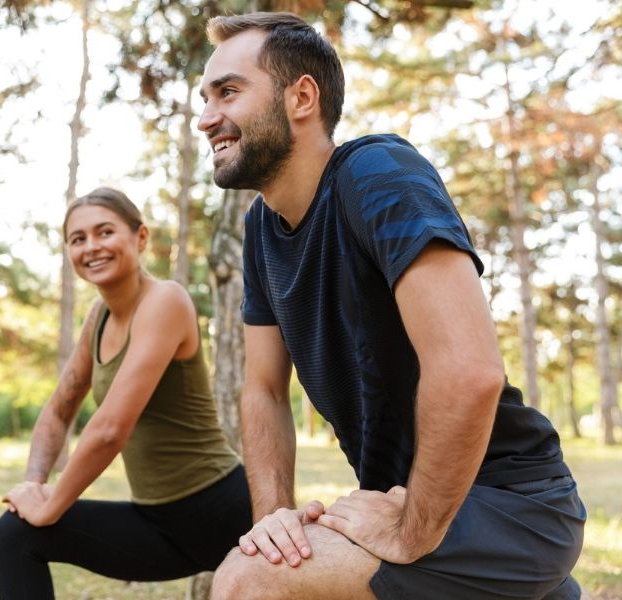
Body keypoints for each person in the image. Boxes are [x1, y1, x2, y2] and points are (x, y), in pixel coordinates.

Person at [196, 12, 586, 600]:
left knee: (248, 583)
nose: (206, 119)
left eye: (228, 91)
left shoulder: (377, 172)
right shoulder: (261, 232)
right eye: (204, 98)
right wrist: (270, 522)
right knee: (265, 557)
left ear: (302, 96)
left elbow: (470, 371)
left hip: (512, 504)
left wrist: (411, 531)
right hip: (406, 502)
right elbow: (264, 391)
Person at [0, 187, 252, 599]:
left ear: (140, 238)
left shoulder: (166, 300)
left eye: (105, 232)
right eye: (78, 239)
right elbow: (59, 410)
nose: (91, 247)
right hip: (157, 522)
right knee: (16, 533)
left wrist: (51, 505)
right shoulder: (99, 316)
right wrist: (34, 486)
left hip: (221, 510)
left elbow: (111, 429)